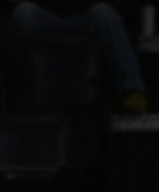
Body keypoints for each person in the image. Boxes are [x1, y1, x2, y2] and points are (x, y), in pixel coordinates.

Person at [11, 0, 146, 114]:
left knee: (105, 14)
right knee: (23, 13)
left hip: (88, 14)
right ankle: (30, 92)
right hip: (48, 12)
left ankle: (131, 89)